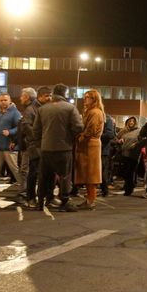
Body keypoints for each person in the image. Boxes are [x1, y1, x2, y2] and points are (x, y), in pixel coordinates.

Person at [32, 83, 83, 212]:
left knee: (44, 176)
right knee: (64, 175)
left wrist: (41, 144)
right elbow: (78, 127)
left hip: (46, 149)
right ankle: (64, 200)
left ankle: (40, 201)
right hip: (63, 148)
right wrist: (70, 137)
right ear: (65, 93)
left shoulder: (42, 109)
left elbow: (36, 130)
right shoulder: (70, 108)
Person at [74, 89, 105, 210]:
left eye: (88, 97)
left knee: (91, 174)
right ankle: (89, 199)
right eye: (85, 96)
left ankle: (91, 200)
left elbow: (90, 130)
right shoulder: (90, 111)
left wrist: (81, 138)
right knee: (88, 174)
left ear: (94, 99)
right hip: (88, 144)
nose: (85, 99)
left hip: (90, 145)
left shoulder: (95, 112)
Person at [21, 87, 51, 208]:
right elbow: (26, 126)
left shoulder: (47, 108)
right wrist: (38, 138)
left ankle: (46, 197)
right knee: (34, 171)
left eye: (50, 95)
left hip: (46, 144)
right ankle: (31, 197)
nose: (49, 98)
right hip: (35, 145)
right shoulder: (31, 109)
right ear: (40, 96)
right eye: (47, 96)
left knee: (47, 172)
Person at [0, 93, 22, 198]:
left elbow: (20, 127)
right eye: (1, 100)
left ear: (9, 101)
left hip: (9, 146)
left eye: (5, 100)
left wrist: (10, 132)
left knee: (15, 169)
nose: (3, 102)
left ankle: (24, 188)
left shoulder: (15, 113)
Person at [117, 116, 141, 196]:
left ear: (135, 123)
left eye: (133, 121)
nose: (131, 123)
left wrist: (136, 144)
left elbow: (142, 140)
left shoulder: (138, 131)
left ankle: (129, 189)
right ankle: (128, 187)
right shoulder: (124, 131)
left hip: (133, 154)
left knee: (130, 172)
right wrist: (119, 141)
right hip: (124, 153)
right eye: (129, 121)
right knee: (126, 172)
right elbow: (116, 138)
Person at [99, 112, 116, 197]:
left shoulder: (107, 119)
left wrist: (97, 135)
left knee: (102, 171)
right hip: (95, 149)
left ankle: (104, 190)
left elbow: (110, 134)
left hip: (103, 150)